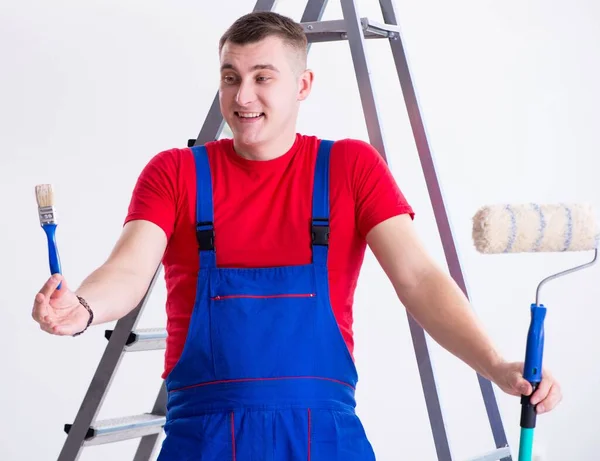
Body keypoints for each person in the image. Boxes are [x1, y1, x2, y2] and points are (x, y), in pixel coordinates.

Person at [31, 11, 562, 460]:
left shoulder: (350, 167)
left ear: (302, 85)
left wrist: (495, 365)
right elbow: (128, 269)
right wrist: (81, 306)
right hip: (203, 440)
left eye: (263, 77)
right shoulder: (175, 173)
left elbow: (420, 279)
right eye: (231, 77)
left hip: (325, 439)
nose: (243, 97)